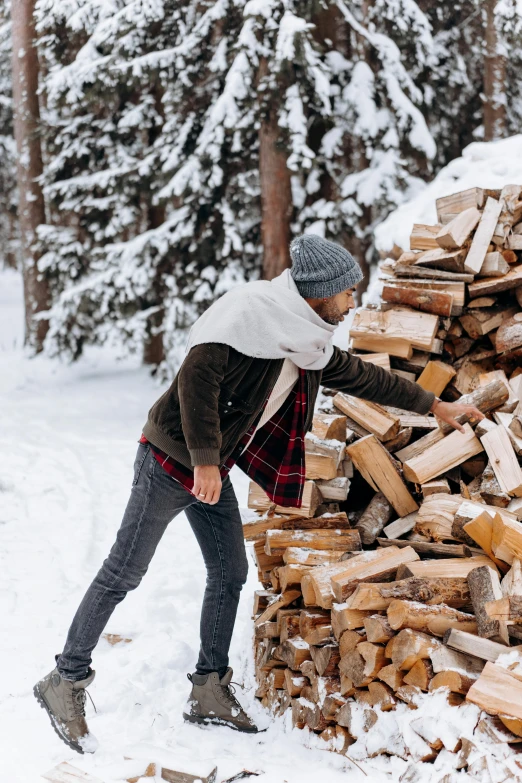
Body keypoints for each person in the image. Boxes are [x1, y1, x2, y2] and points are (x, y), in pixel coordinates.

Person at [33, 234, 484, 753]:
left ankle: (208, 688)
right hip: (168, 461)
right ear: (322, 292)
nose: (353, 301)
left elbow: (359, 376)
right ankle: (64, 681)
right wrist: (204, 461)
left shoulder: (304, 339)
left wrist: (435, 406)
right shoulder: (246, 316)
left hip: (210, 467)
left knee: (229, 572)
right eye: (348, 292)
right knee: (124, 571)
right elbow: (194, 384)